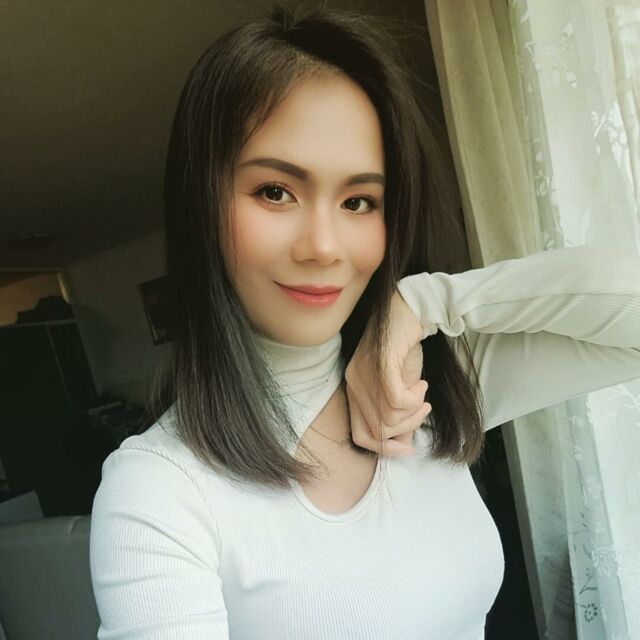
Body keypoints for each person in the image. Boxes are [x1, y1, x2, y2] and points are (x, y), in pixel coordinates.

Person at [89, 4, 640, 639]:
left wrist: (425, 302)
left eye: (358, 201)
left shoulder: (425, 386)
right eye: (275, 191)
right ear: (201, 204)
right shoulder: (160, 488)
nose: (324, 246)